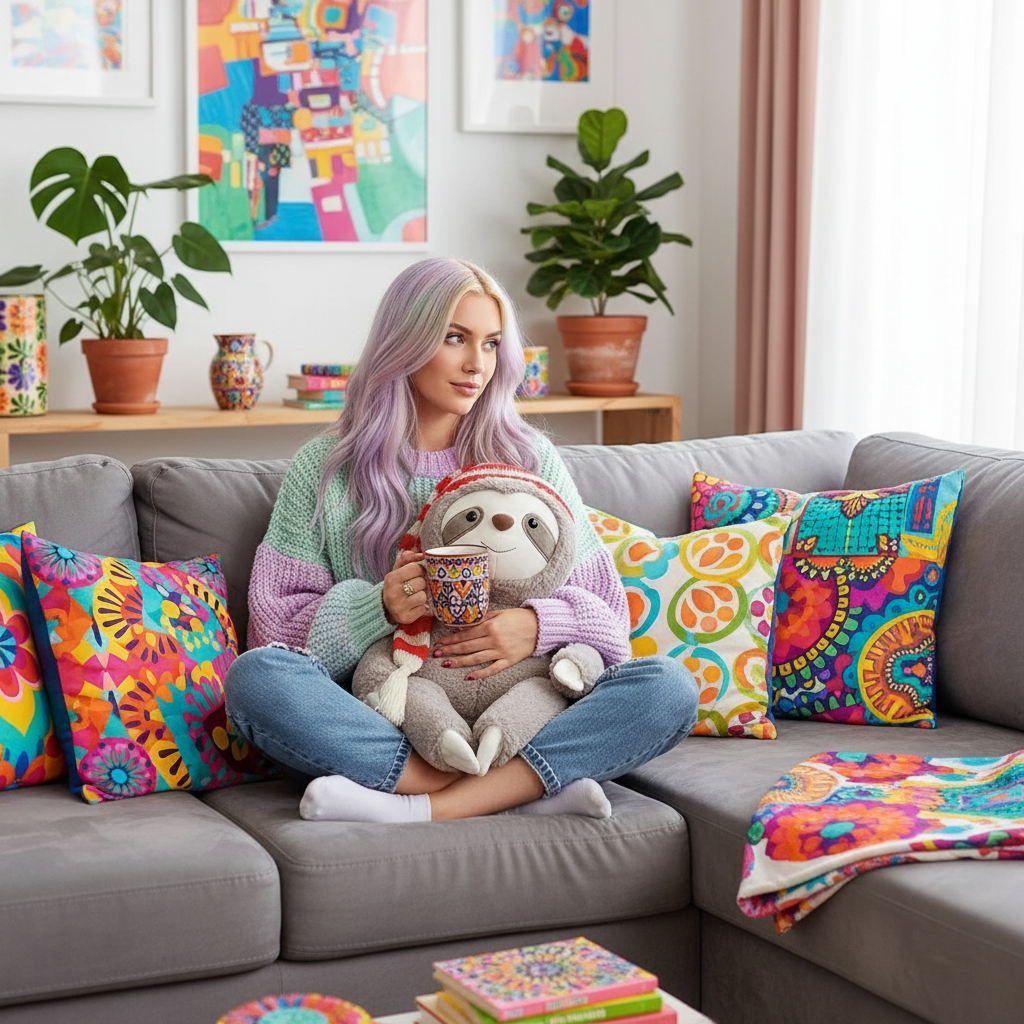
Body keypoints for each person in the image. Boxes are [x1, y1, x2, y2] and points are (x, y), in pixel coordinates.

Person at [224, 256, 698, 824]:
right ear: (406, 341)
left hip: (523, 707)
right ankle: (518, 790)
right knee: (255, 680)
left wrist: (540, 626)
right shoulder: (326, 469)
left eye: (493, 343)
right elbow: (275, 632)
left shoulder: (528, 458)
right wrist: (378, 608)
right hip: (393, 712)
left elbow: (608, 615)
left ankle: (417, 806)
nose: (478, 364)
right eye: (455, 338)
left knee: (668, 688)